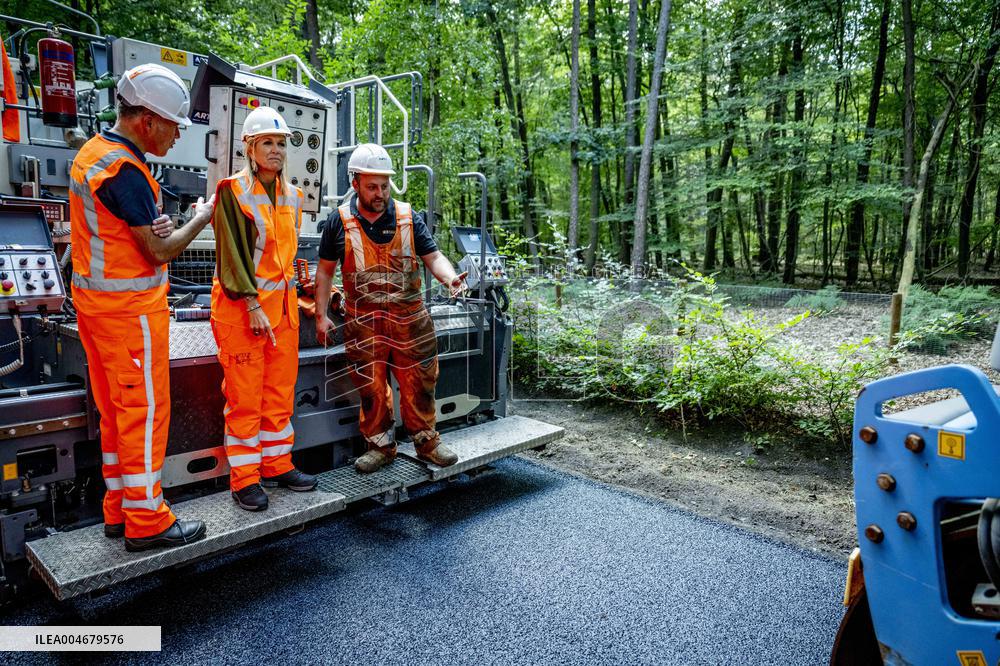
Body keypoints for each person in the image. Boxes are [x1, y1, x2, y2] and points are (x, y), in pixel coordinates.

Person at [70, 63, 212, 551]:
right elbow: (158, 251)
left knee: (114, 413)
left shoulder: (95, 153)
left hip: (97, 309)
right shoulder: (124, 171)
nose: (177, 136)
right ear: (147, 120)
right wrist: (200, 219)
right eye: (174, 125)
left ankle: (119, 511)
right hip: (129, 312)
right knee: (145, 414)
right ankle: (148, 521)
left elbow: (123, 232)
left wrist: (157, 223)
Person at [313, 144, 467, 474]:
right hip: (364, 323)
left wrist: (451, 278)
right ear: (354, 183)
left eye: (384, 185)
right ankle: (380, 447)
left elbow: (433, 256)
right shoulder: (337, 223)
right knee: (370, 388)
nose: (380, 193)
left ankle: (427, 442)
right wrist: (321, 314)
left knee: (420, 383)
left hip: (410, 320)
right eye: (372, 186)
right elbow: (325, 270)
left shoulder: (409, 217)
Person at [211, 106, 317, 511]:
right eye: (267, 143)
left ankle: (276, 464)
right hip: (244, 312)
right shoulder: (232, 191)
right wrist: (252, 302)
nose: (275, 150)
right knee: (245, 399)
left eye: (280, 143)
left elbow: (283, 256)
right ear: (249, 148)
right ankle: (245, 480)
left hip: (284, 312)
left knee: (277, 396)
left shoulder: (292, 194)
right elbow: (232, 256)